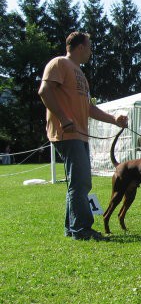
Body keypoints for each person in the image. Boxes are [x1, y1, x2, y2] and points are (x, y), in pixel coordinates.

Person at [38, 31, 128, 241]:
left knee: (78, 183)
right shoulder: (59, 63)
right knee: (81, 183)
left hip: (80, 134)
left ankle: (73, 228)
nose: (90, 52)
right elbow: (44, 91)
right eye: (89, 47)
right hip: (67, 132)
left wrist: (114, 119)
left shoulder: (81, 75)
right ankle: (82, 229)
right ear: (80, 47)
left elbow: (88, 108)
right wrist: (63, 118)